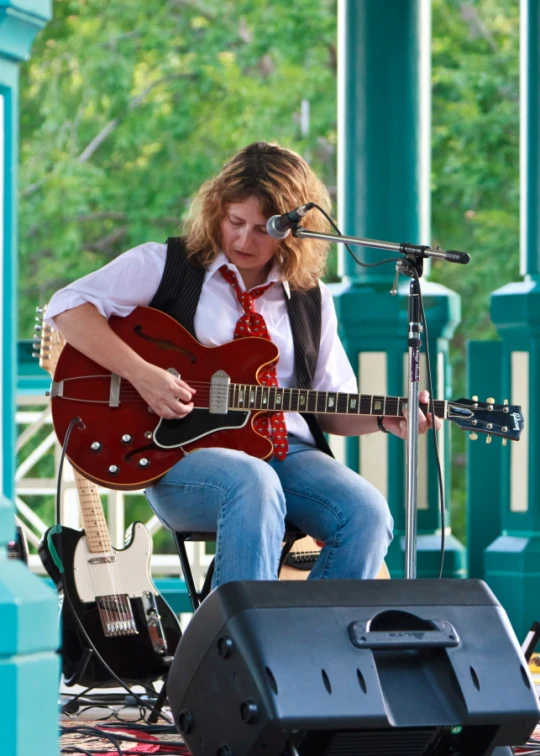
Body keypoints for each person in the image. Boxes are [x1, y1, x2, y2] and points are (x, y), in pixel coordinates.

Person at [46, 141, 439, 587]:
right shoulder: (163, 265)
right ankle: (232, 651)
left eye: (261, 229)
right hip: (178, 457)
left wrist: (386, 421)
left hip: (286, 453)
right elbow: (67, 306)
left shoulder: (310, 298)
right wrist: (143, 374)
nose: (243, 239)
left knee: (367, 514)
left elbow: (328, 404)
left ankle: (302, 645)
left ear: (295, 231)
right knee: (253, 482)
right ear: (217, 212)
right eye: (235, 222)